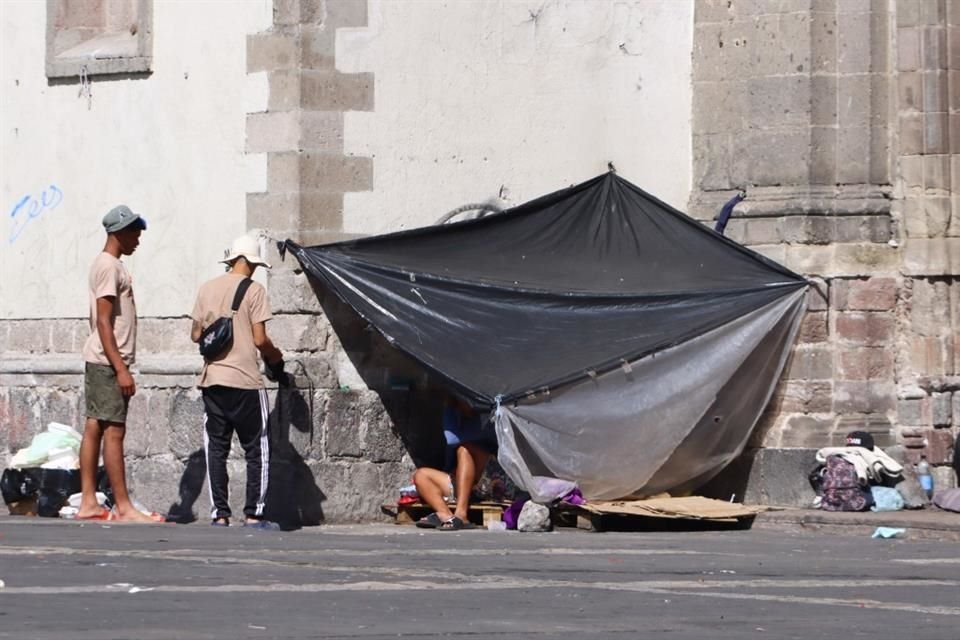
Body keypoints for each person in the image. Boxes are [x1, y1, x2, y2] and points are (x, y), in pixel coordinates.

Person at [190, 234, 285, 529]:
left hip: (213, 380)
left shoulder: (206, 288)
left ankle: (220, 514)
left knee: (216, 449)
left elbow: (196, 335)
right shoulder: (255, 291)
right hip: (245, 381)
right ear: (248, 262)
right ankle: (254, 514)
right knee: (257, 449)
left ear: (232, 260)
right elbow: (260, 339)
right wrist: (276, 357)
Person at [77, 205, 156, 522]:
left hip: (102, 359)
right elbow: (104, 321)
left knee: (95, 426)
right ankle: (123, 506)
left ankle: (88, 502)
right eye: (134, 232)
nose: (137, 239)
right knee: (113, 431)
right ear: (119, 232)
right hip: (108, 361)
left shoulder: (108, 265)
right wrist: (121, 368)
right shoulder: (109, 267)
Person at [413, 395, 498, 530]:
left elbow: (464, 441)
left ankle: (461, 514)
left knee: (464, 449)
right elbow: (451, 439)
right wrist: (451, 411)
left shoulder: (488, 416)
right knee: (420, 475)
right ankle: (445, 515)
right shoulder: (454, 412)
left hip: (488, 477)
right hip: (460, 478)